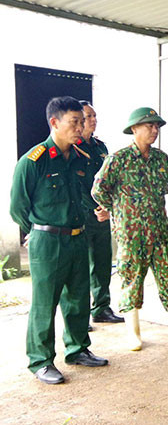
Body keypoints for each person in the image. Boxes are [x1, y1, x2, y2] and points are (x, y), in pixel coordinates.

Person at [10, 96, 108, 384]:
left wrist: (98, 209)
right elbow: (17, 207)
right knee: (45, 303)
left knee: (78, 297)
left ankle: (78, 349)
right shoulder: (34, 161)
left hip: (78, 236)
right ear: (54, 122)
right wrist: (37, 231)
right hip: (48, 241)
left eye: (82, 121)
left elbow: (85, 195)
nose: (80, 127)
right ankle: (40, 361)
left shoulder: (80, 158)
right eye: (74, 122)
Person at [93, 107, 168, 352]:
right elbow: (99, 190)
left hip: (160, 229)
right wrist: (118, 211)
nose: (154, 130)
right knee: (132, 278)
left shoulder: (161, 159)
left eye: (157, 126)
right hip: (131, 232)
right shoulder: (118, 159)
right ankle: (133, 335)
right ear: (134, 129)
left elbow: (161, 192)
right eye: (149, 126)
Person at [76, 101, 123, 326]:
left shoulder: (100, 147)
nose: (93, 120)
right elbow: (77, 185)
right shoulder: (72, 148)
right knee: (81, 267)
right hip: (82, 215)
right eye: (88, 116)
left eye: (94, 116)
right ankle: (80, 315)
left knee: (103, 262)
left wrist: (107, 206)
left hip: (102, 214)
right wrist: (96, 207)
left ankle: (102, 308)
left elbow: (110, 179)